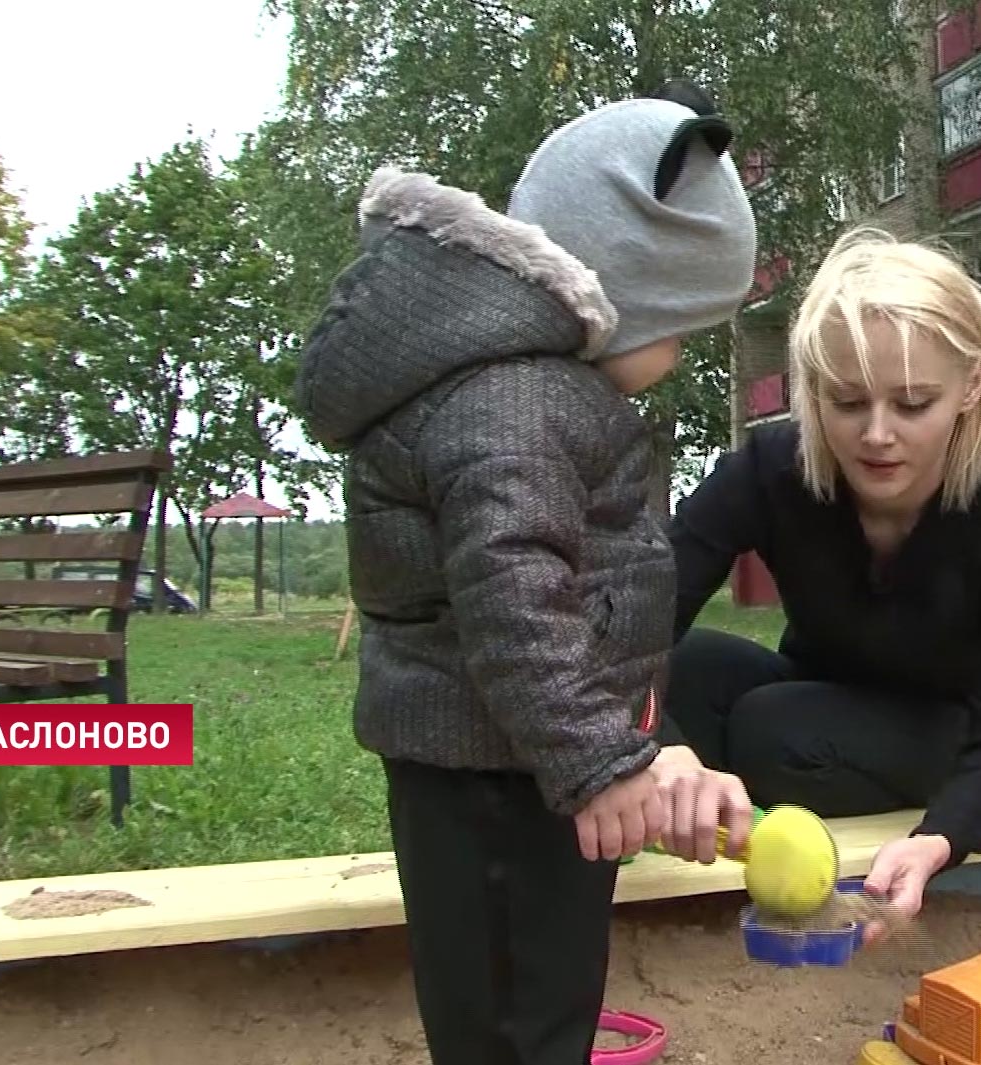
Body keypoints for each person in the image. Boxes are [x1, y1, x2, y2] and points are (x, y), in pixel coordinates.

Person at [290, 85, 758, 1065]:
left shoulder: (529, 390)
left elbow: (580, 605)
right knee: (513, 1012)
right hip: (489, 776)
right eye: (682, 326)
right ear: (627, 292)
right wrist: (597, 762)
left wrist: (643, 749)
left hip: (521, 759)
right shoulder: (516, 402)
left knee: (536, 1000)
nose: (678, 357)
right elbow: (514, 595)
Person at [650, 227, 981, 923]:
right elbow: (635, 622)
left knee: (771, 730)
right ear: (814, 391)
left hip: (975, 738)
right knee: (684, 668)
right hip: (823, 697)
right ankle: (702, 808)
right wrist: (661, 749)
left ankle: (738, 790)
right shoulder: (772, 467)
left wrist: (938, 839)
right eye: (847, 403)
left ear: (970, 385)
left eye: (913, 404)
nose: (877, 434)